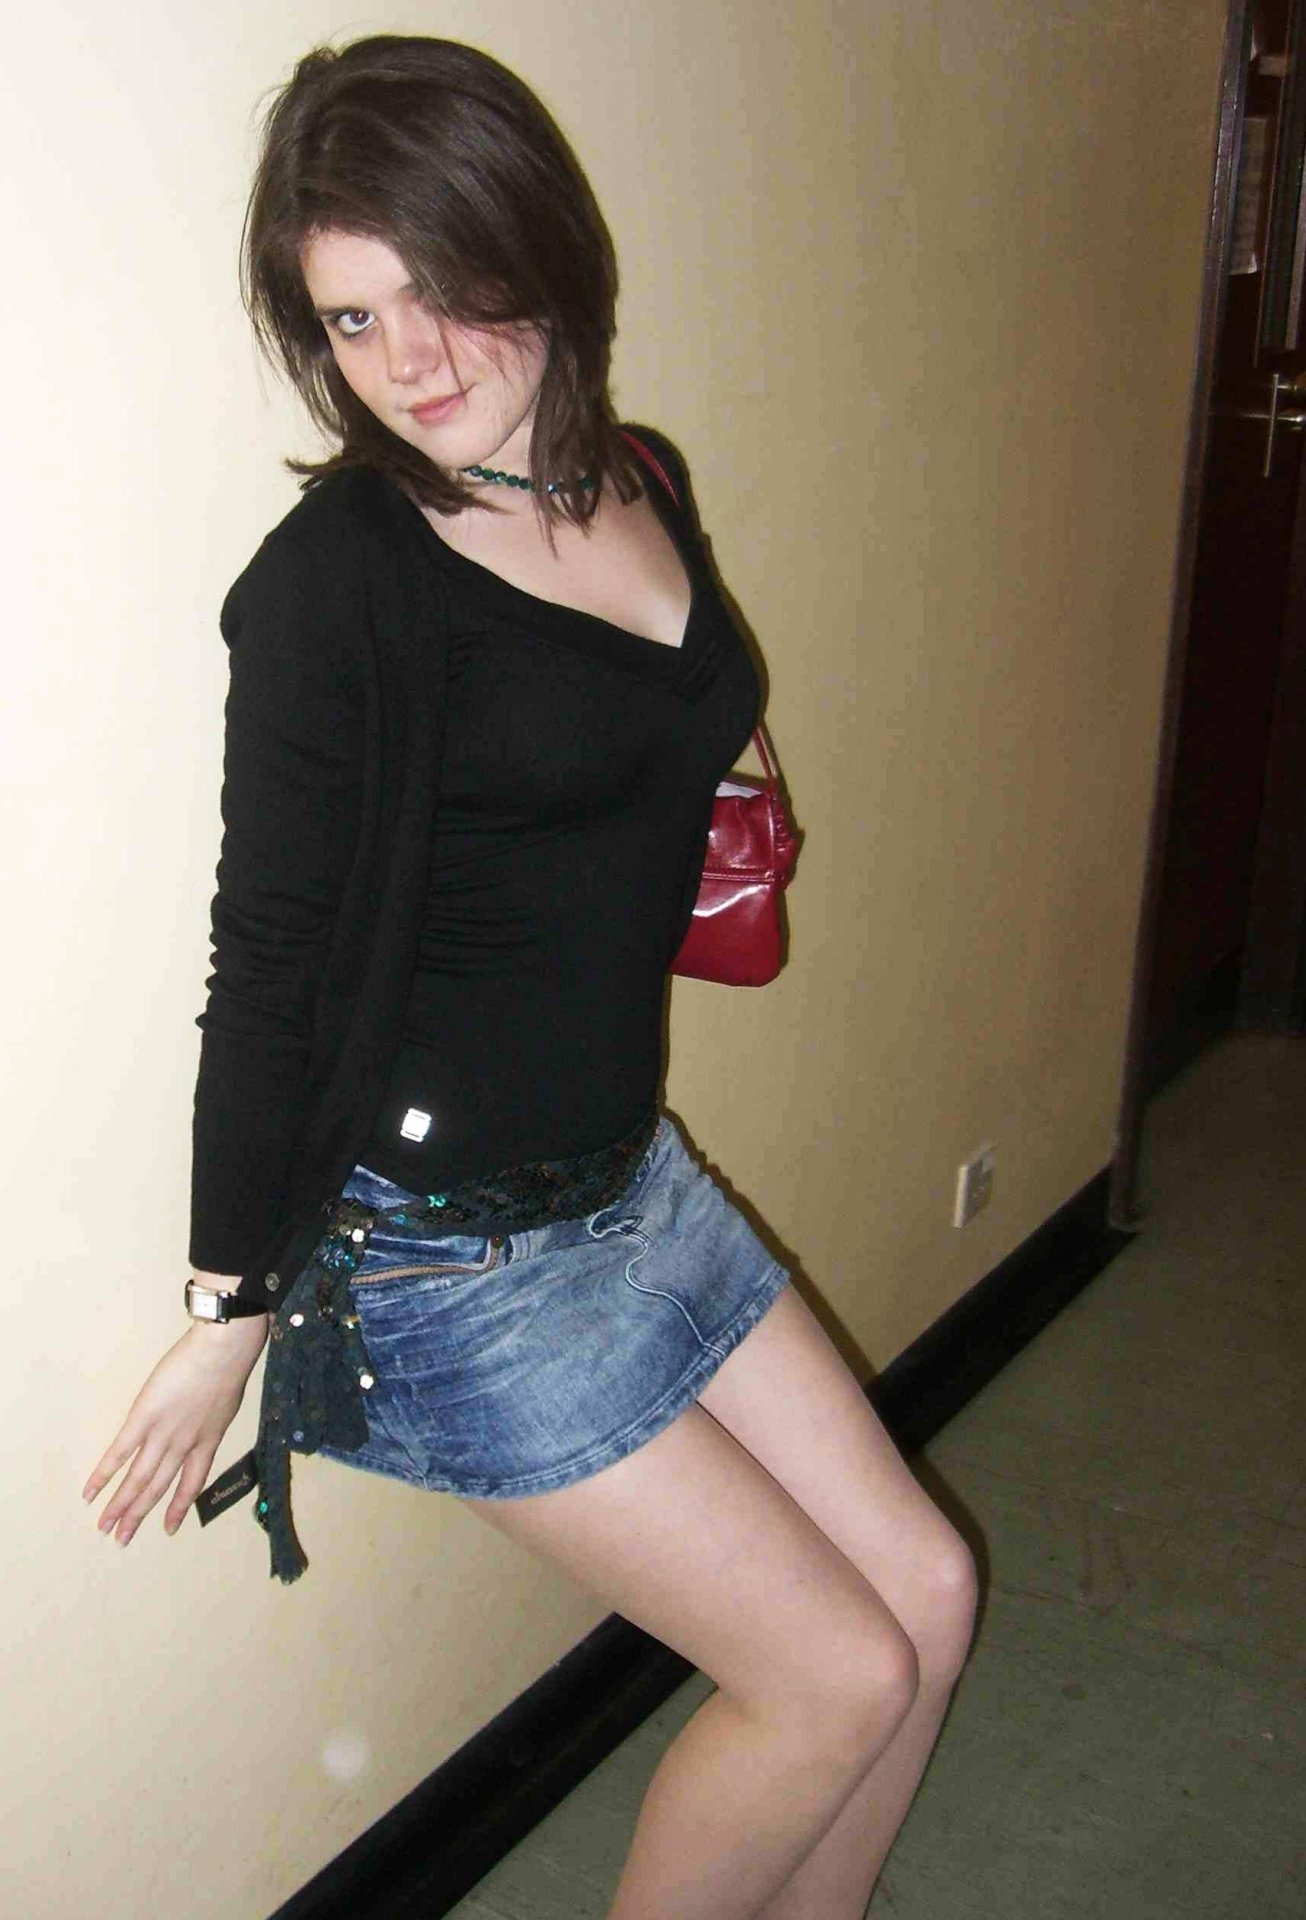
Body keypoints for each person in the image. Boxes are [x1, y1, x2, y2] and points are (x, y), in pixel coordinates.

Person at [83, 35, 976, 1919]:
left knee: (926, 1593)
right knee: (833, 1680)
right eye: (351, 320)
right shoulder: (340, 582)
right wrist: (232, 1300)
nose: (408, 362)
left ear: (540, 251)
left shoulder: (636, 477)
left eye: (442, 288)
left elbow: (654, 717)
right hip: (446, 1259)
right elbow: (269, 962)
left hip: (630, 1184)